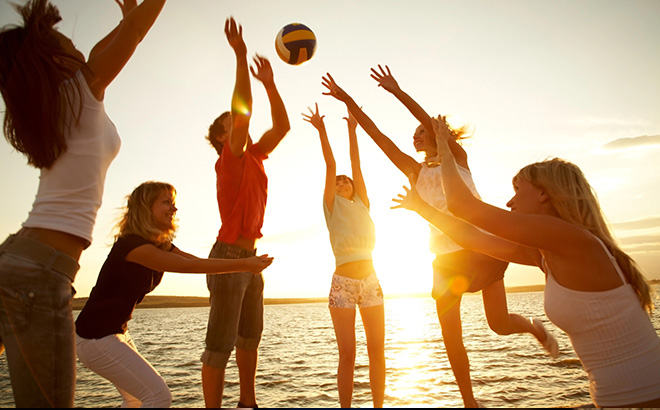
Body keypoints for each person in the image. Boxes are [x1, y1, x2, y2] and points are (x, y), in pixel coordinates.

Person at [322, 66, 557, 408]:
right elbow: (379, 137)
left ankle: (534, 328)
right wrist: (349, 101)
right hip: (445, 259)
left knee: (499, 323)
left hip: (483, 246)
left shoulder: (457, 158)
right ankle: (469, 403)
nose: (415, 136)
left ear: (437, 135)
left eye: (421, 132)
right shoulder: (414, 170)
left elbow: (432, 124)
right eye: (414, 133)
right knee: (451, 336)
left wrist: (397, 91)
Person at [392, 117, 660, 408]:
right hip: (616, 401)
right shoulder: (547, 253)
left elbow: (463, 207)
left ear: (545, 194)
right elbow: (471, 237)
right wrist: (421, 208)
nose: (510, 202)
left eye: (518, 190)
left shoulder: (572, 238)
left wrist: (444, 146)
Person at [0, 0, 166, 406]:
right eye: (67, 41)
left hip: (16, 261)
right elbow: (131, 39)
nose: (78, 45)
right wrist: (134, 22)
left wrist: (128, 21)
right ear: (58, 60)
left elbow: (114, 44)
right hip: (39, 276)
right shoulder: (81, 89)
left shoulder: (59, 102)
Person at [74, 181, 273, 408]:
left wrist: (244, 263)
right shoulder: (133, 247)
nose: (173, 208)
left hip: (113, 334)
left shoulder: (158, 243)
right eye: (166, 202)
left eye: (174, 203)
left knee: (136, 400)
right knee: (158, 396)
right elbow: (186, 267)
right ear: (145, 207)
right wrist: (246, 264)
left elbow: (195, 261)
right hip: (94, 339)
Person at [201, 17, 290, 409]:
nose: (238, 125)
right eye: (230, 124)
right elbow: (244, 113)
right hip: (227, 258)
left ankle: (248, 403)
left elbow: (282, 126)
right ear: (223, 137)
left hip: (250, 259)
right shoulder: (231, 157)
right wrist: (239, 55)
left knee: (250, 339)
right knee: (219, 344)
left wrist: (271, 84)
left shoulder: (255, 155)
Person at [302, 104, 386, 408]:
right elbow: (330, 164)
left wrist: (352, 129)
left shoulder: (362, 202)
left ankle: (378, 406)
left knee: (377, 349)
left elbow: (356, 163)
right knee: (348, 353)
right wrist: (322, 130)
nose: (341, 182)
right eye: (337, 182)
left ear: (352, 187)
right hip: (343, 285)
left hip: (371, 281)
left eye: (345, 181)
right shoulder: (331, 207)